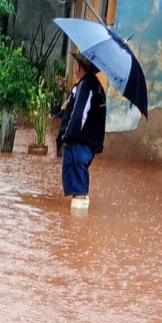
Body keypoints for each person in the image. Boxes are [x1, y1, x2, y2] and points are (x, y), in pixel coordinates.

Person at [56, 52, 107, 210]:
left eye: (75, 64)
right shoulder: (94, 86)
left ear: (79, 67)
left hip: (78, 143)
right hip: (86, 145)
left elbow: (79, 117)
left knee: (78, 189)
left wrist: (66, 137)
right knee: (81, 187)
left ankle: (75, 226)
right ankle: (79, 226)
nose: (74, 67)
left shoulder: (86, 86)